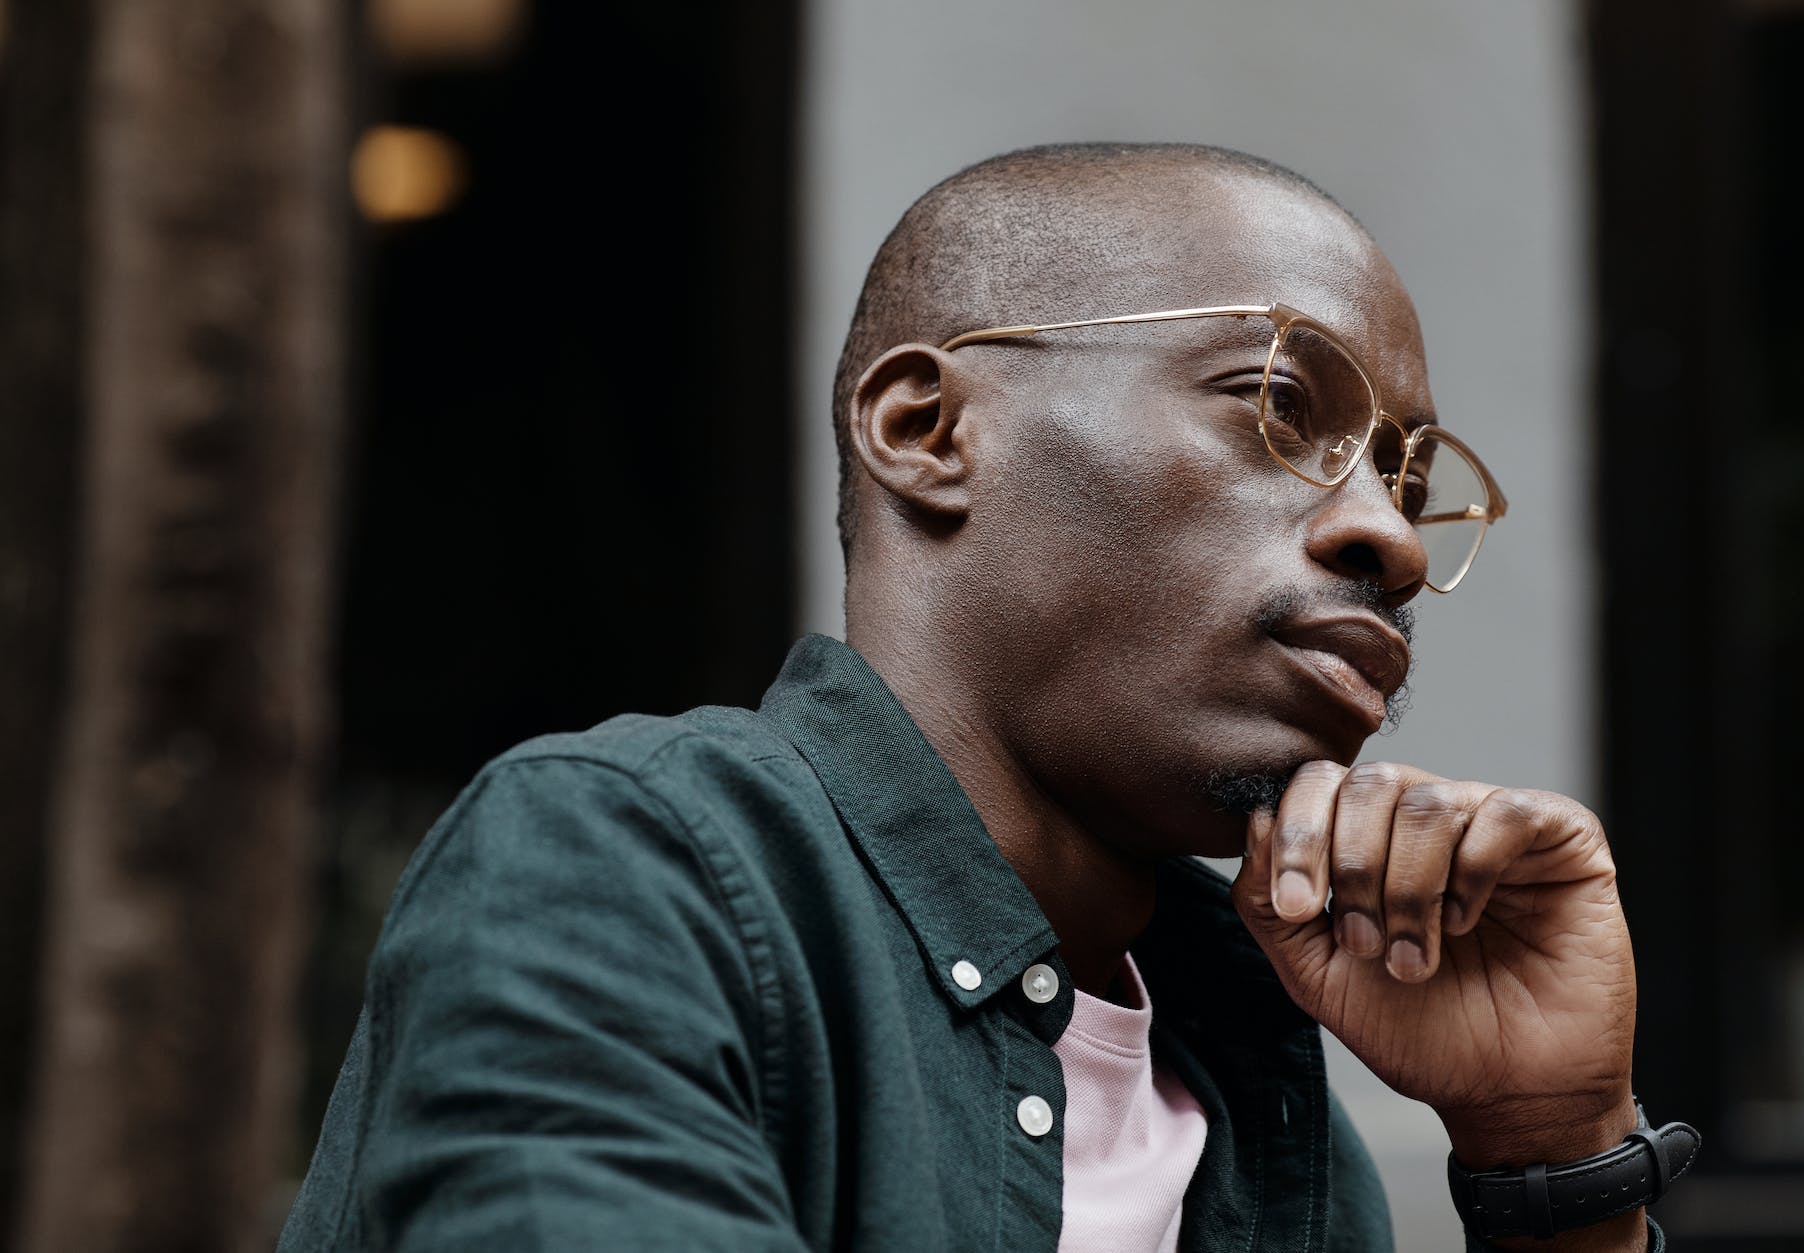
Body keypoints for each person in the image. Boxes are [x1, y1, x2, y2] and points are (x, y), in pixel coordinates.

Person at [280, 143, 1696, 1251]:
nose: (1387, 539)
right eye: (1277, 401)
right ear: (926, 429)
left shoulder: (1267, 1087)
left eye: (1403, 482)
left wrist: (1554, 1162)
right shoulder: (630, 874)